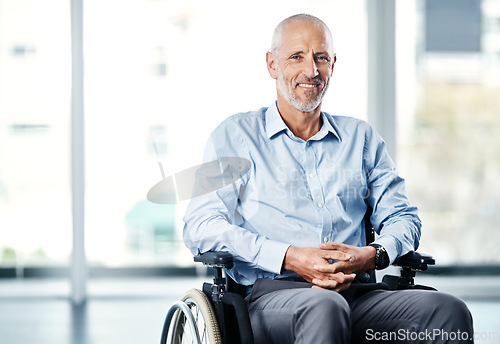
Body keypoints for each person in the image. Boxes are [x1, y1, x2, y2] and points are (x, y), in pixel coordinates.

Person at [183, 13, 474, 343]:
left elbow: (404, 218)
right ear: (272, 65)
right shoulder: (233, 136)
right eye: (297, 56)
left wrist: (373, 255)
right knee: (325, 306)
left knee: (448, 311)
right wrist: (290, 255)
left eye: (320, 57)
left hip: (359, 293)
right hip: (273, 298)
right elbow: (200, 225)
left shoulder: (361, 139)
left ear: (332, 64)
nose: (311, 70)